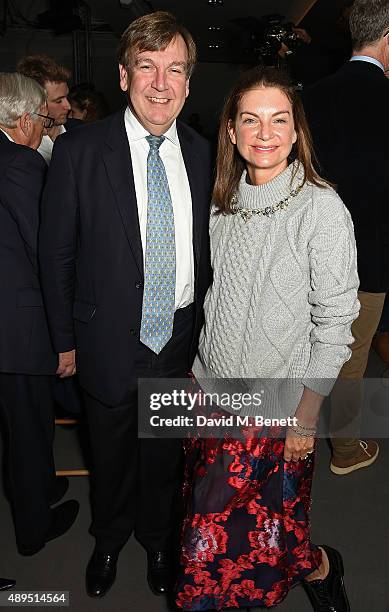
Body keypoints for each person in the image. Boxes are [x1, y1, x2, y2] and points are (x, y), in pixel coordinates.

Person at [39, 11, 212, 599]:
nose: (160, 84)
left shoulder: (203, 152)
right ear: (123, 75)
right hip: (107, 340)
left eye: (174, 70)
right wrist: (63, 340)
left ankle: (158, 539)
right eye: (147, 67)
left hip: (178, 339)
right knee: (109, 456)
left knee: (165, 457)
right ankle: (109, 537)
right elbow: (55, 256)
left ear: (189, 83)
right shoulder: (80, 150)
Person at [176, 66, 359, 612]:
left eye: (279, 120)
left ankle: (318, 569)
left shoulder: (321, 210)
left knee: (251, 540)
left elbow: (336, 324)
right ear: (230, 131)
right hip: (210, 399)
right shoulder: (220, 201)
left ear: (297, 131)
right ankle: (318, 568)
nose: (265, 133)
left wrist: (305, 417)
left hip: (278, 410)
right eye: (250, 119)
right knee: (223, 532)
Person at [302, 0, 389, 475]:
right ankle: (346, 449)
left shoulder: (310, 97)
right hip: (371, 255)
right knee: (352, 355)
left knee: (307, 345)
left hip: (311, 251)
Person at [0, 72, 79, 555]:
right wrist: (63, 333)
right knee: (28, 432)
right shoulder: (21, 164)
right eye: (44, 119)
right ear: (25, 119)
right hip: (19, 328)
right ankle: (33, 530)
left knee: (18, 426)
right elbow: (43, 252)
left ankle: (44, 490)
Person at [16, 54, 81, 163]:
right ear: (35, 102)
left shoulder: (81, 131)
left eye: (66, 97)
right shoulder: (17, 143)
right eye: (58, 101)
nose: (68, 106)